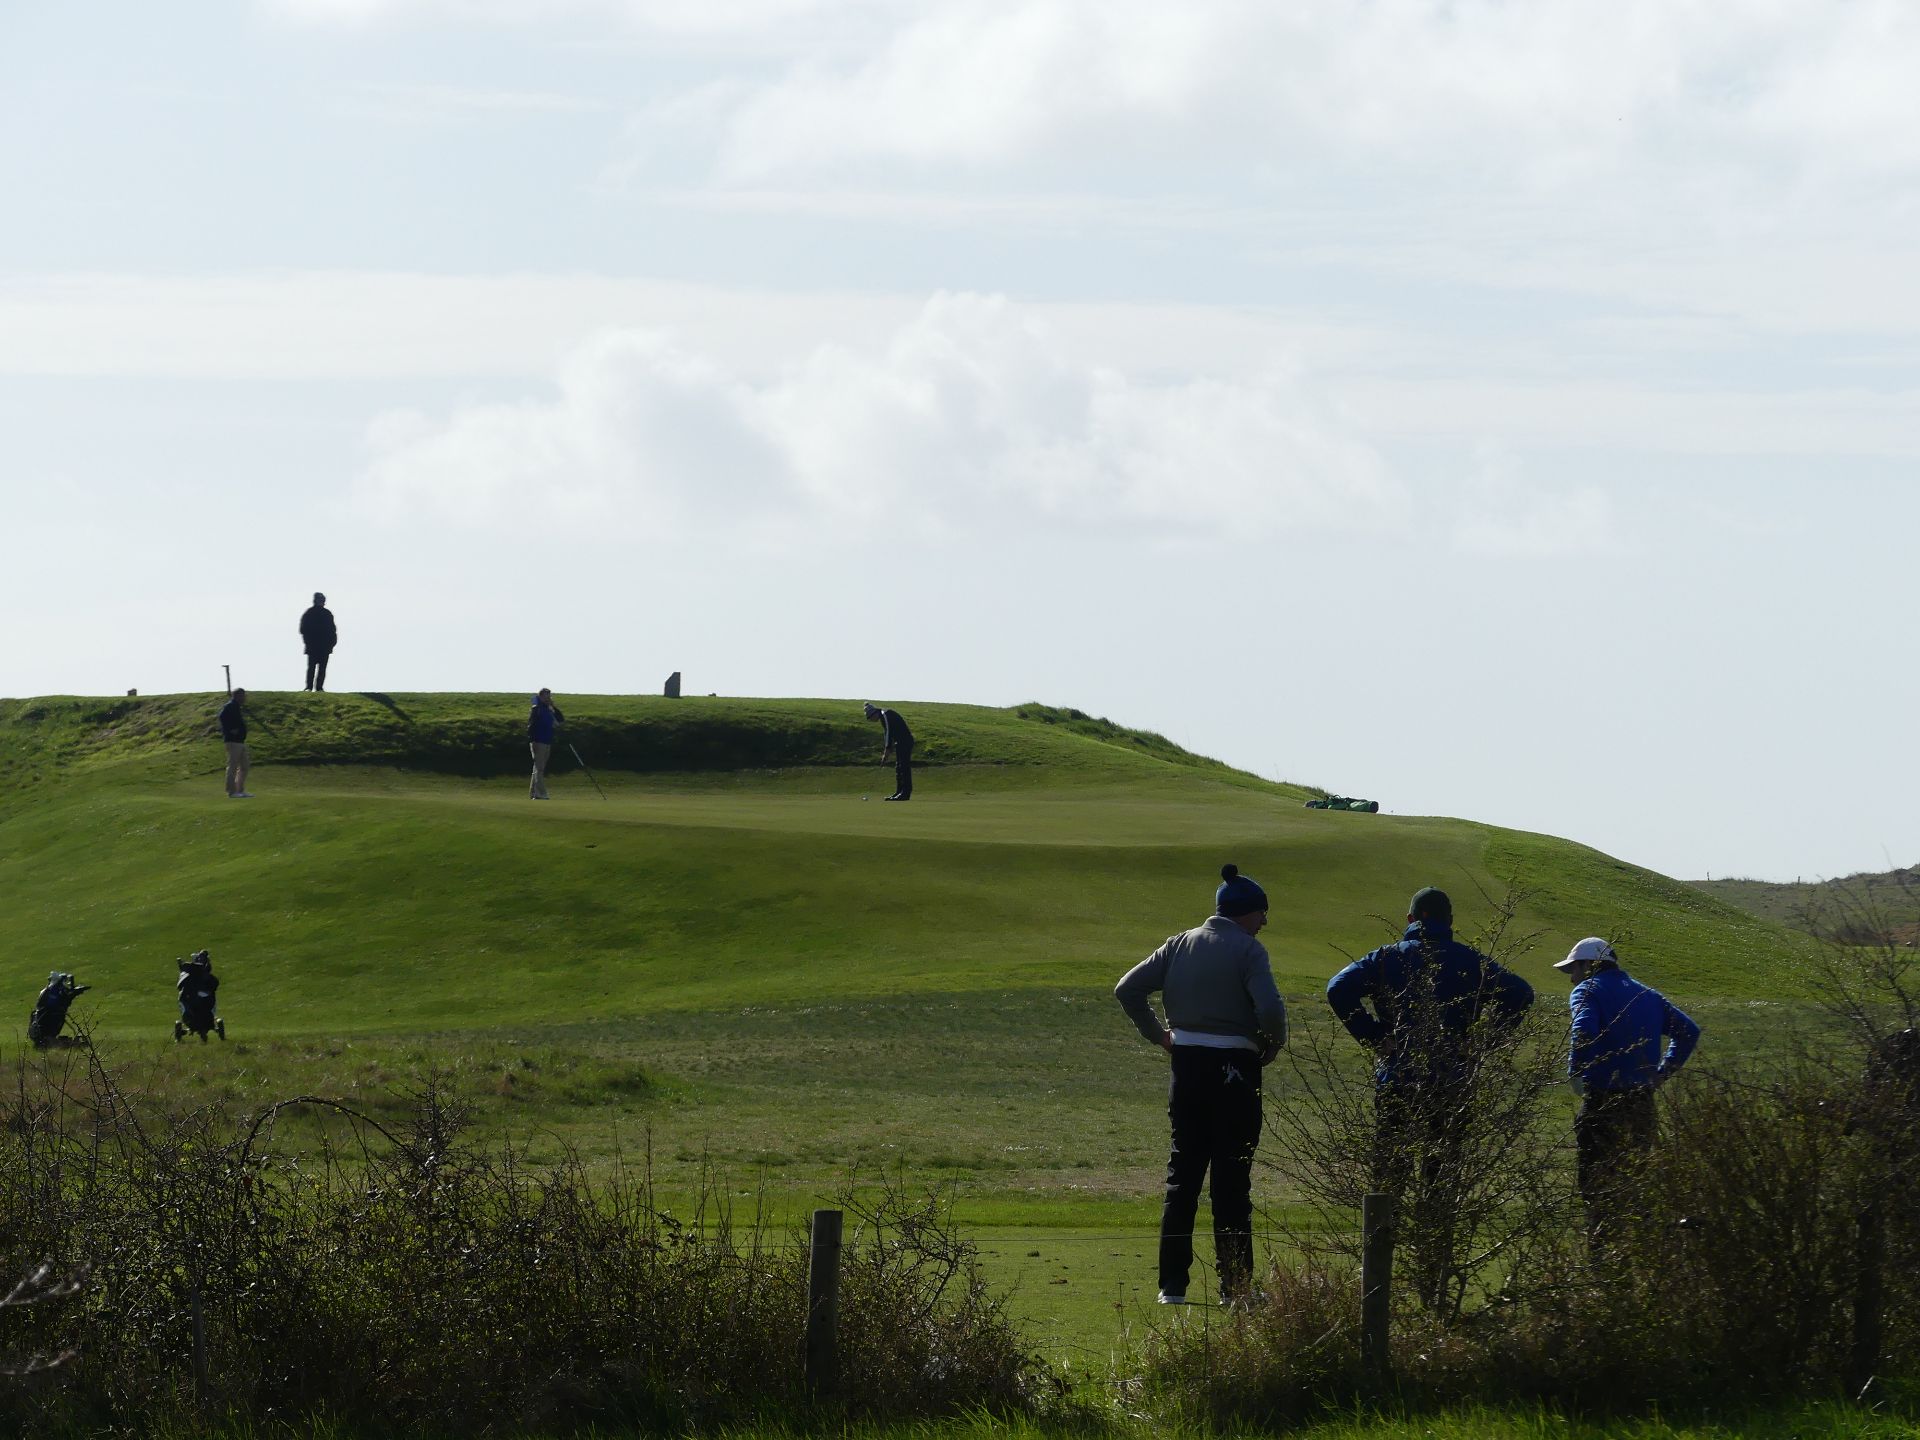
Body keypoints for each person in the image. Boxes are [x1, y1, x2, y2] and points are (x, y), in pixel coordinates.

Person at [1326, 886, 1533, 1305]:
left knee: (1389, 1182)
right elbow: (1521, 995)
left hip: (1398, 1080)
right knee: (1440, 1184)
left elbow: (1338, 988)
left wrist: (1374, 1036)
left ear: (1410, 919)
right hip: (1451, 1084)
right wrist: (1482, 1042)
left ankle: (1377, 1279)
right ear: (1450, 922)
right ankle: (1432, 1280)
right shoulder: (1470, 961)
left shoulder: (1387, 957)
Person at [1115, 863, 1288, 1306]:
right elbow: (1271, 1010)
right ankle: (1236, 1289)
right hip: (1236, 1071)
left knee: (1183, 1177)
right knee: (1232, 1181)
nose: (1264, 922)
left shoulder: (1179, 944)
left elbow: (1128, 989)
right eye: (1262, 913)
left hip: (1187, 1067)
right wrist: (1273, 1044)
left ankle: (1172, 1286)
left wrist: (1160, 1036)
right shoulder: (1249, 950)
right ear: (1246, 913)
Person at [1558, 937, 1700, 1238]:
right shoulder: (1647, 994)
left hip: (1603, 1104)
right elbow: (1688, 1031)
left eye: (1574, 969)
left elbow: (1583, 1032)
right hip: (1642, 1105)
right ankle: (1640, 1252)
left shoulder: (1587, 990)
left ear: (1588, 965)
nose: (1572, 978)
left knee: (1597, 1189)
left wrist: (1576, 1071)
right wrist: (1662, 1074)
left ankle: (1603, 1258)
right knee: (1634, 1186)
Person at [863, 702, 914, 800]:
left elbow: (888, 733)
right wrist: (888, 749)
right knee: (899, 768)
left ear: (874, 713)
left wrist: (887, 749)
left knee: (904, 767)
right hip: (900, 742)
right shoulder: (884, 715)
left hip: (905, 741)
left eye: (870, 718)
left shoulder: (885, 714)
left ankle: (905, 793)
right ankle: (899, 792)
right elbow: (888, 733)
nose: (872, 720)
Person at [527, 688, 564, 800]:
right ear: (541, 697)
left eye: (549, 696)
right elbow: (531, 725)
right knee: (539, 769)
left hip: (547, 741)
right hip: (538, 742)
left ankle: (533, 793)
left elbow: (560, 719)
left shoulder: (548, 709)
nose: (548, 698)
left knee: (538, 768)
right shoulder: (537, 709)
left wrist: (553, 706)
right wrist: (533, 741)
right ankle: (540, 794)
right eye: (546, 696)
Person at [300, 593, 338, 692]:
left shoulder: (323, 614)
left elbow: (332, 631)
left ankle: (317, 687)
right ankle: (311, 687)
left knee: (320, 668)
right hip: (315, 646)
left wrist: (332, 643)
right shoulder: (312, 613)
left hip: (322, 646)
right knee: (313, 668)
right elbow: (303, 629)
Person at [219, 687, 253, 798]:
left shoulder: (237, 706)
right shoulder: (230, 706)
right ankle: (231, 792)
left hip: (240, 741)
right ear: (237, 696)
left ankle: (240, 790)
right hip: (233, 741)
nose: (245, 698)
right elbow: (222, 717)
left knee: (244, 766)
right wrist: (230, 730)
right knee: (232, 766)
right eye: (243, 695)